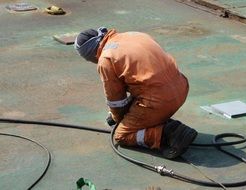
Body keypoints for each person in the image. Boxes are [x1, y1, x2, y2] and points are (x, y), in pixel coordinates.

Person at [74, 27, 197, 159]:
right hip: (181, 87)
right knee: (143, 94)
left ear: (90, 54)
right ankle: (164, 125)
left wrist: (119, 120)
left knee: (122, 135)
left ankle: (168, 133)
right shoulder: (134, 35)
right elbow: (144, 78)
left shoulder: (106, 59)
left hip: (159, 101)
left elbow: (116, 101)